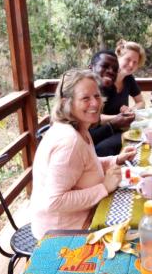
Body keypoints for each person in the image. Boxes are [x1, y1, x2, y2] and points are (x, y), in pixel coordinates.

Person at [30, 69, 136, 240]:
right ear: (67, 103)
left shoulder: (79, 127)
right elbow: (55, 201)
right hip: (62, 234)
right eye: (85, 98)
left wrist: (115, 159)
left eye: (96, 96)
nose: (95, 103)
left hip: (80, 218)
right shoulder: (69, 142)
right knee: (139, 227)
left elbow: (85, 165)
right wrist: (104, 188)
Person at [89, 49, 135, 156]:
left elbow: (96, 121)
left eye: (115, 69)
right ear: (91, 67)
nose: (111, 71)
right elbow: (85, 137)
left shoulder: (108, 88)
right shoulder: (81, 91)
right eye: (105, 66)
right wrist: (114, 122)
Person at [102, 39, 146, 117]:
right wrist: (119, 118)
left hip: (122, 127)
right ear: (117, 57)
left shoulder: (128, 78)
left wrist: (131, 110)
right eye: (128, 59)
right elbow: (94, 118)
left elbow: (141, 102)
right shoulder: (103, 80)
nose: (131, 65)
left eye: (135, 62)